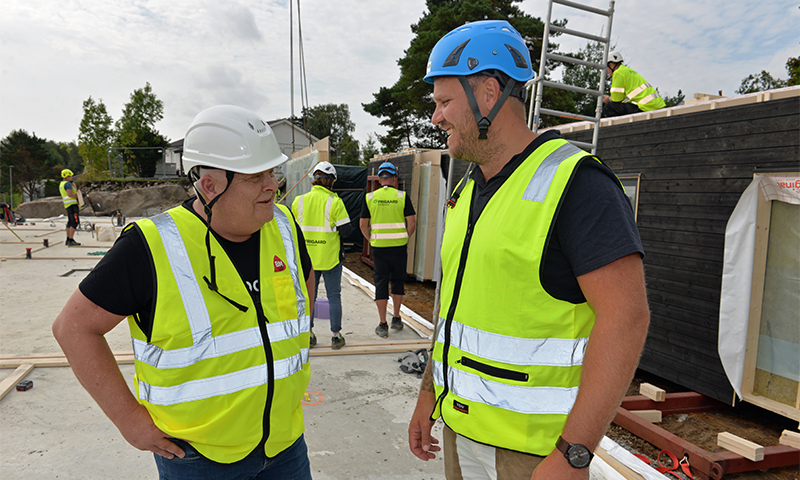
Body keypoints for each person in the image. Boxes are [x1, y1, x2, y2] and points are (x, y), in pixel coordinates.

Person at [408, 20, 650, 480]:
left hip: (536, 455)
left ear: (488, 93)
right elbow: (457, 311)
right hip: (461, 432)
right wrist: (429, 395)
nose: (436, 117)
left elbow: (627, 318)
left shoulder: (578, 184)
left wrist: (573, 454)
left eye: (443, 102)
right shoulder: (469, 189)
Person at [52, 105, 316, 480]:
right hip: (197, 459)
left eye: (271, 172)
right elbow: (72, 328)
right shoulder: (152, 245)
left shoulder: (285, 226)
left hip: (285, 444)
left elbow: (304, 286)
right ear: (210, 186)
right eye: (256, 177)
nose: (272, 185)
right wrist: (129, 420)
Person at [292, 161, 352, 349]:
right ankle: (335, 336)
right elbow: (347, 231)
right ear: (331, 181)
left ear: (314, 180)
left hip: (307, 259)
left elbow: (293, 230)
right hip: (330, 259)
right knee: (334, 296)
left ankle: (308, 335)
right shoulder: (335, 202)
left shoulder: (298, 201)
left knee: (309, 297)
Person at [359, 161, 416, 338]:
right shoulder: (402, 196)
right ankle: (396, 318)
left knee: (381, 283)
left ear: (379, 179)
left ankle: (382, 323)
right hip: (398, 247)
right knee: (398, 281)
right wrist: (404, 238)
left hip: (379, 248)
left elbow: (362, 225)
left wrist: (372, 240)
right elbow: (412, 222)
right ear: (393, 178)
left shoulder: (370, 197)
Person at [602, 51, 666, 117]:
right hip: (657, 106)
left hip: (646, 108)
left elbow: (617, 100)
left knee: (609, 107)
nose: (607, 72)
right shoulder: (628, 70)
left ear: (611, 65)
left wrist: (607, 99)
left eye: (606, 69)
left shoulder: (618, 73)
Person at [59, 168, 81, 246]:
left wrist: (73, 183)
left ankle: (68, 239)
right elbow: (70, 194)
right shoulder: (67, 184)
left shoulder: (62, 184)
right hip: (72, 205)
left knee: (69, 222)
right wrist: (80, 196)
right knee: (74, 222)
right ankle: (71, 240)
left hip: (68, 205)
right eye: (70, 176)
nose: (71, 177)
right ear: (67, 176)